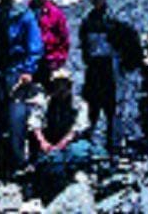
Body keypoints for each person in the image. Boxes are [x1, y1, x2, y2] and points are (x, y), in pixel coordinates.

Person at [0, 0, 43, 177]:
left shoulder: (24, 14)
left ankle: (18, 162)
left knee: (16, 119)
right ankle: (1, 164)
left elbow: (35, 44)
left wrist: (28, 70)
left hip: (17, 70)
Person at [79, 0, 137, 155]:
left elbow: (129, 43)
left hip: (110, 68)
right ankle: (93, 148)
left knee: (112, 108)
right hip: (93, 69)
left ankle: (114, 148)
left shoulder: (113, 21)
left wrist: (126, 64)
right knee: (93, 107)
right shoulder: (87, 21)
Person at [26, 68, 100, 203]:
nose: (60, 88)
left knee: (83, 151)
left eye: (64, 84)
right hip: (50, 143)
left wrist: (62, 144)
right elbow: (34, 123)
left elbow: (79, 128)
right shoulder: (45, 102)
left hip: (71, 144)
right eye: (57, 84)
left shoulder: (79, 104)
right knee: (45, 160)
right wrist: (43, 142)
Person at [28, 0, 70, 88]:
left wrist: (58, 59)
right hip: (31, 61)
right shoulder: (25, 12)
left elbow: (64, 38)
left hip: (50, 60)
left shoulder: (55, 13)